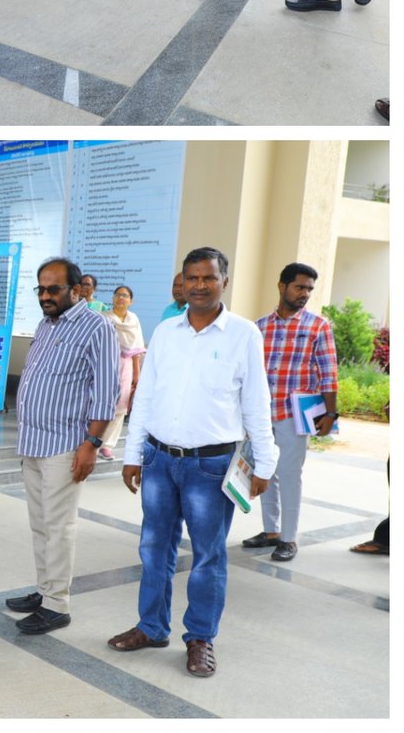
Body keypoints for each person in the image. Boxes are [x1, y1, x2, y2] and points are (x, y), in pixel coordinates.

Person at [108, 248, 278, 678]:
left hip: (212, 466)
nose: (199, 285)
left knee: (207, 557)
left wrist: (265, 463)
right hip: (160, 461)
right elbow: (145, 397)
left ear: (224, 281)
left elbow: (257, 404)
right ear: (182, 282)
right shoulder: (166, 331)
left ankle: (200, 638)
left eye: (209, 278)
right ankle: (151, 626)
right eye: (192, 278)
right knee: (153, 549)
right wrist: (133, 453)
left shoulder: (243, 335)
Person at [8, 257, 119, 634]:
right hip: (34, 442)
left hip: (65, 445)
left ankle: (57, 606)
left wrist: (90, 444)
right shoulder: (45, 323)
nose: (45, 296)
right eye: (40, 289)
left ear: (76, 290)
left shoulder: (96, 327)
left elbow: (107, 393)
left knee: (59, 526)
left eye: (53, 289)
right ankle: (45, 591)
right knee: (40, 525)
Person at [243, 263, 337, 562]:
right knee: (265, 470)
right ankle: (271, 531)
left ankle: (288, 538)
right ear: (282, 286)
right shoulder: (259, 326)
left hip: (293, 413)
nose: (305, 294)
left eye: (309, 289)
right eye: (300, 287)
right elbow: (248, 372)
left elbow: (328, 373)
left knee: (289, 474)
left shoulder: (317, 325)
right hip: (261, 414)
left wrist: (331, 414)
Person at [100, 285, 144, 460]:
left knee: (121, 406)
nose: (120, 298)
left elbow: (136, 349)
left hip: (126, 365)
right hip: (106, 363)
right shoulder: (105, 318)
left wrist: (136, 375)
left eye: (125, 296)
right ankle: (93, 439)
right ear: (112, 298)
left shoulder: (133, 320)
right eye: (117, 295)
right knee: (102, 402)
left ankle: (107, 445)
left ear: (131, 301)